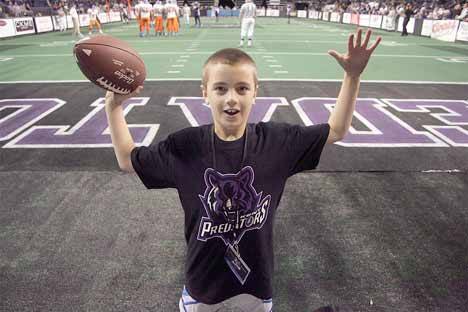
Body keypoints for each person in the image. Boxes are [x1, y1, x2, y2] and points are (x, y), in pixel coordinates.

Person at [104, 28, 381, 312]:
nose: (231, 99)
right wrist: (113, 106)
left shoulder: (277, 142)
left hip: (256, 288)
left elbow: (336, 129)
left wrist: (353, 76)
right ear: (205, 94)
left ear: (255, 93)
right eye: (220, 88)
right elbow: (128, 160)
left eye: (242, 88)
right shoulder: (185, 147)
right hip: (202, 289)